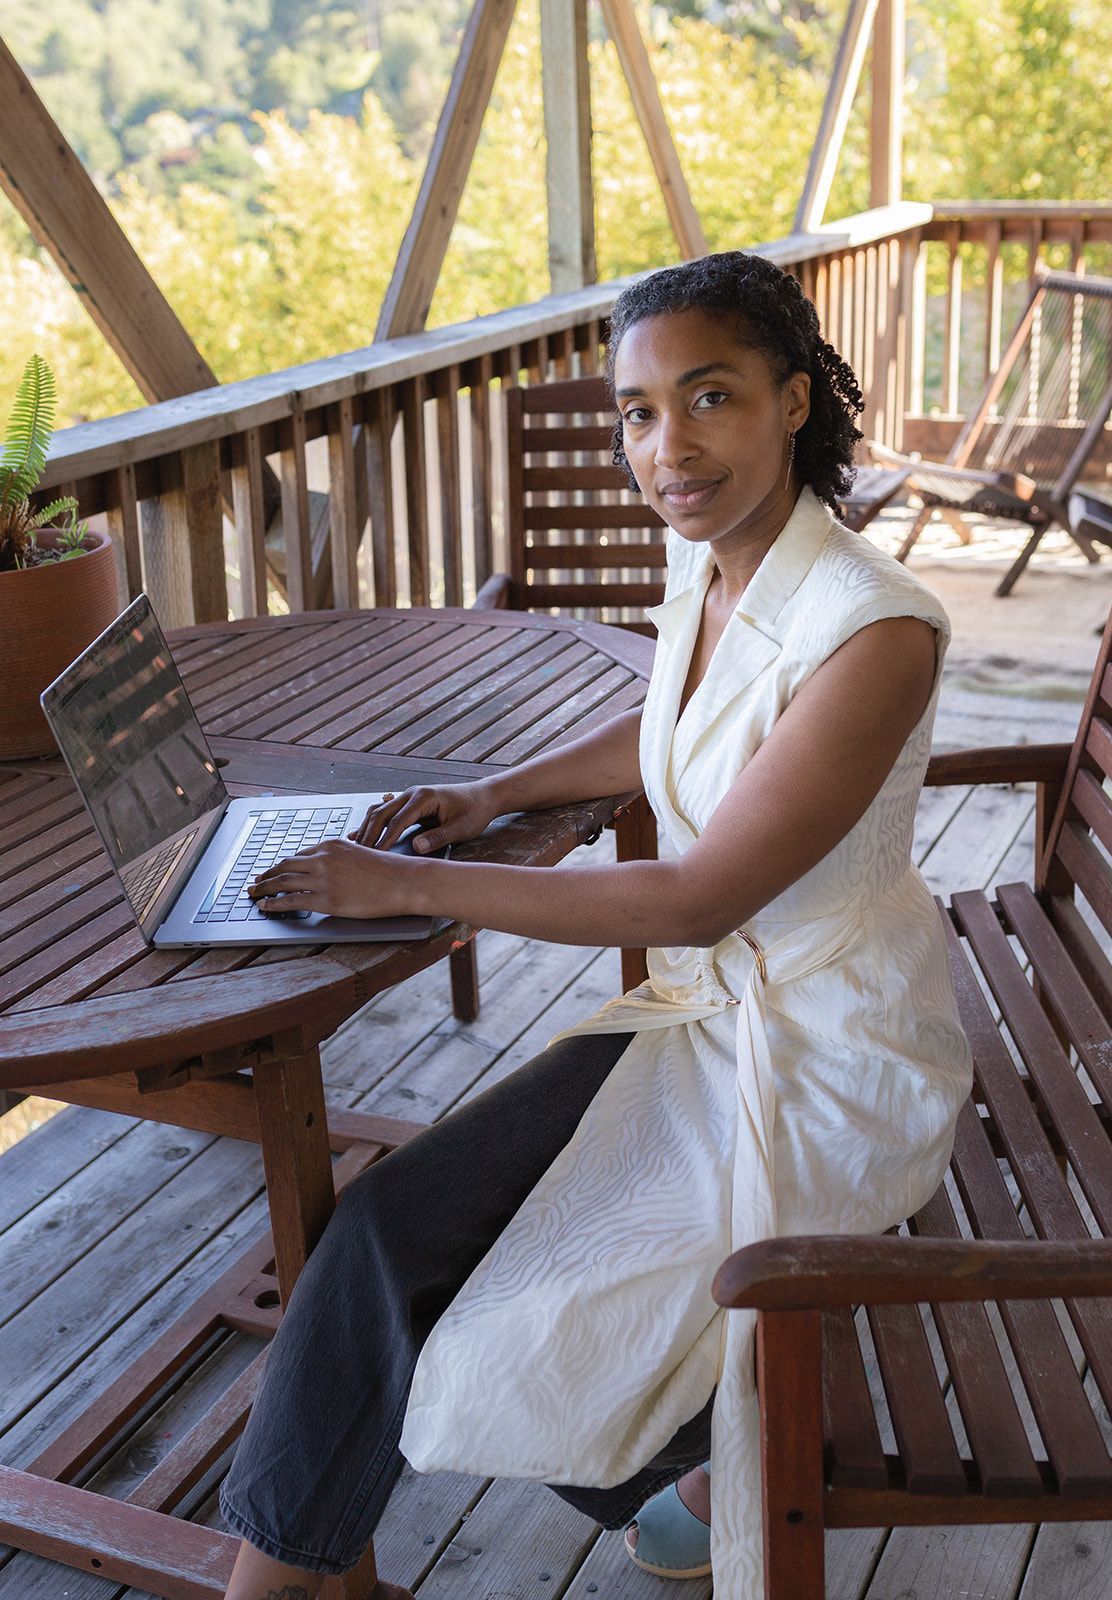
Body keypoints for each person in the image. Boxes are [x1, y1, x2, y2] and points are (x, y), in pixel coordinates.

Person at [218, 251, 973, 1600]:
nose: (664, 447)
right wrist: (493, 794)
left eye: (709, 398)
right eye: (634, 412)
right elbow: (672, 718)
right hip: (716, 1014)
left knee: (457, 1278)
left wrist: (408, 885)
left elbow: (696, 893)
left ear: (792, 400)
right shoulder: (724, 561)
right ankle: (617, 1482)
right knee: (392, 1242)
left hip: (823, 1061)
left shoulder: (875, 632)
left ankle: (681, 1463)